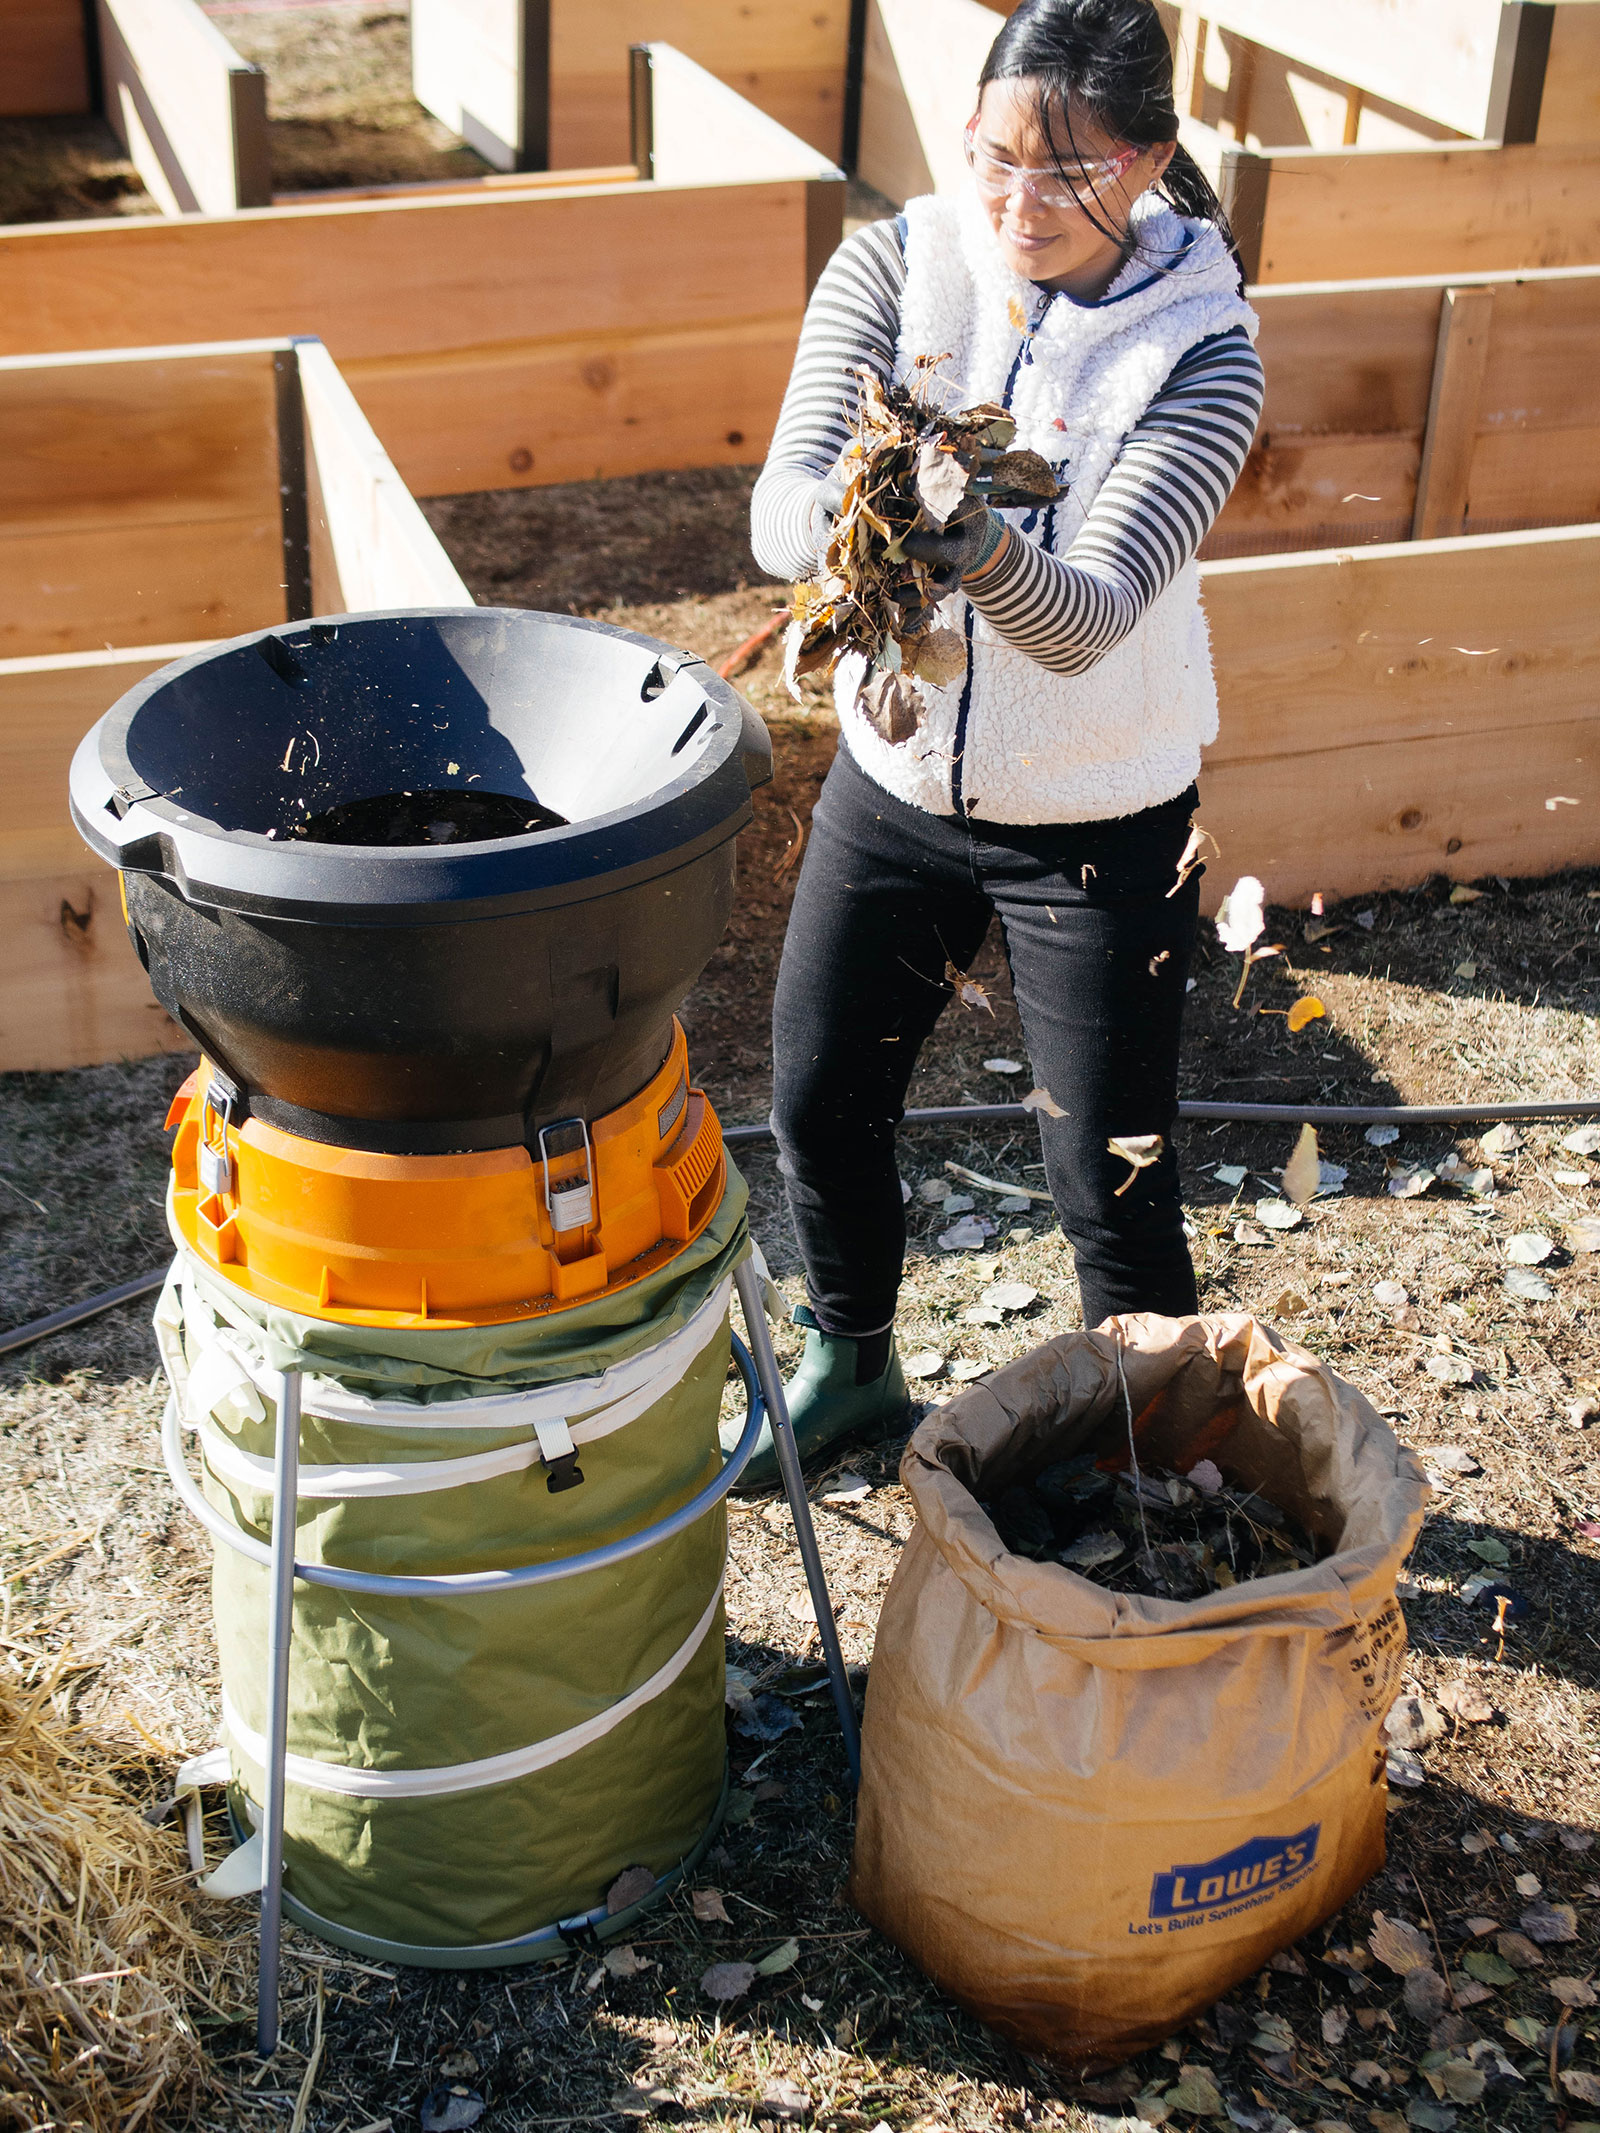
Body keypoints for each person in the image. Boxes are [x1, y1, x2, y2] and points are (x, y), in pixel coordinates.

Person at [731, 0, 1264, 1487]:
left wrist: (967, 536)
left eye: (1066, 176)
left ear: (1150, 159)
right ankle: (851, 1361)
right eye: (993, 163)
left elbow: (1087, 613)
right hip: (899, 781)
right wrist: (861, 502)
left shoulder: (1204, 358)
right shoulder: (899, 260)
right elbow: (778, 511)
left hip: (1101, 808)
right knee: (820, 1091)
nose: (1018, 206)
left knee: (1108, 1170)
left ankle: (1155, 1464)